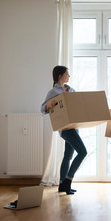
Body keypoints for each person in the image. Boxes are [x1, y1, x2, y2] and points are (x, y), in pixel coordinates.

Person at [41, 65, 87, 195]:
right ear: (60, 76)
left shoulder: (71, 89)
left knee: (68, 156)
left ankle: (62, 185)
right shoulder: (53, 92)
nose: (69, 76)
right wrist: (49, 105)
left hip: (75, 126)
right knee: (83, 152)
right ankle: (68, 180)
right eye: (67, 74)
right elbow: (42, 109)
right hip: (65, 128)